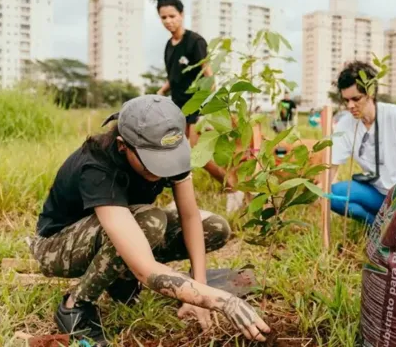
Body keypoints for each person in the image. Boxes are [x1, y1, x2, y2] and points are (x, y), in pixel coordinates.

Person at [30, 95, 270, 345]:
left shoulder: (170, 149)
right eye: (152, 164)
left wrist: (198, 287)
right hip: (57, 247)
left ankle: (122, 280)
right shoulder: (97, 166)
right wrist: (220, 300)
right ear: (123, 145)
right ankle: (75, 305)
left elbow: (190, 217)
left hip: (124, 229)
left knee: (215, 226)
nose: (160, 171)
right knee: (151, 220)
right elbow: (145, 268)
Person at [151, 0, 236, 201]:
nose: (168, 21)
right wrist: (160, 92)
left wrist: (210, 108)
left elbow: (208, 75)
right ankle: (180, 197)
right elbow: (174, 77)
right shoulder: (168, 47)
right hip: (178, 108)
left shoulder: (195, 42)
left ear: (181, 15)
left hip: (198, 107)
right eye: (163, 17)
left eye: (172, 16)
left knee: (198, 155)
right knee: (177, 154)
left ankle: (234, 189)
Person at [327, 61, 396, 224]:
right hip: (377, 193)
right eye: (346, 100)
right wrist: (323, 189)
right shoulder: (346, 124)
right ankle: (375, 226)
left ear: (371, 93)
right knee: (332, 195)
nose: (350, 106)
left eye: (356, 99)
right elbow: (331, 166)